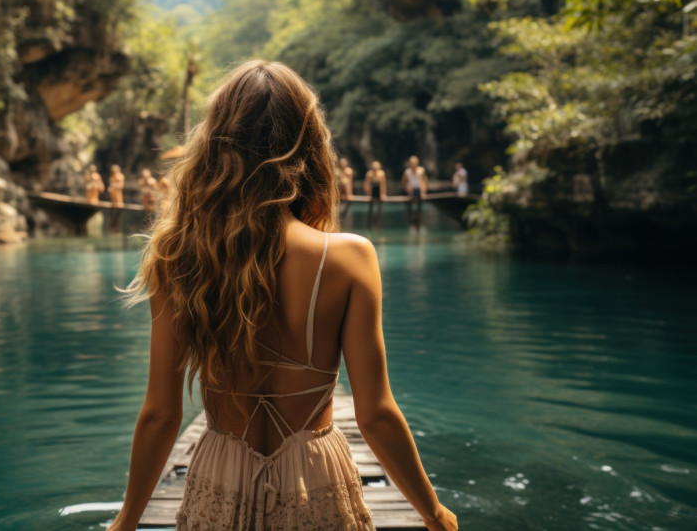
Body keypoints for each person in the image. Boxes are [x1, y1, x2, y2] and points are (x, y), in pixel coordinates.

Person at [109, 60, 457, 531]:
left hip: (219, 477)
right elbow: (374, 415)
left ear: (215, 147)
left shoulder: (179, 258)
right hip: (314, 478)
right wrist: (433, 514)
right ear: (310, 145)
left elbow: (160, 415)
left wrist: (125, 521)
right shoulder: (349, 258)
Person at [363, 160, 386, 227]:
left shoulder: (381, 174)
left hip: (379, 192)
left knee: (379, 208)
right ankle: (369, 222)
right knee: (371, 207)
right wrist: (367, 193)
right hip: (372, 192)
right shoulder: (369, 174)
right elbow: (366, 184)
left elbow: (383, 185)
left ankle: (378, 222)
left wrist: (383, 194)